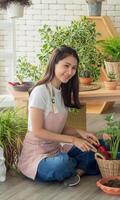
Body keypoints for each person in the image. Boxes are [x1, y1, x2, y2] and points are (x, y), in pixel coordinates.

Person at [18, 46, 99, 187]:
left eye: (73, 68)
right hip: (37, 155)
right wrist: (74, 140)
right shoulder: (40, 91)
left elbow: (58, 127)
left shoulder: (62, 91)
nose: (70, 72)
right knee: (60, 164)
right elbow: (38, 131)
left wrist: (81, 133)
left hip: (57, 149)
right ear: (54, 63)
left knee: (92, 149)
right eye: (66, 66)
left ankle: (71, 170)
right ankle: (74, 168)